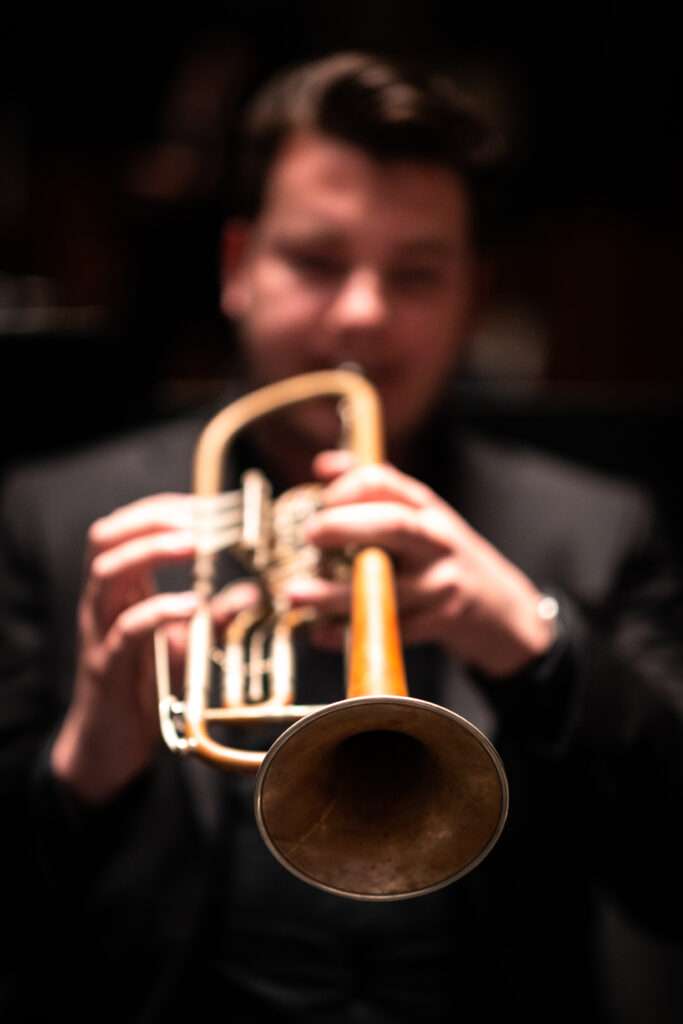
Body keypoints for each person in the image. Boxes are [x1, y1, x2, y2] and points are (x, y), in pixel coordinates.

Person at [1, 52, 682, 1024]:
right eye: (316, 263)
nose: (363, 314)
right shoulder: (58, 514)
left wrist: (534, 638)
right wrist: (87, 759)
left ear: (470, 295)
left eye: (415, 274)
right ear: (237, 267)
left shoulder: (592, 531)